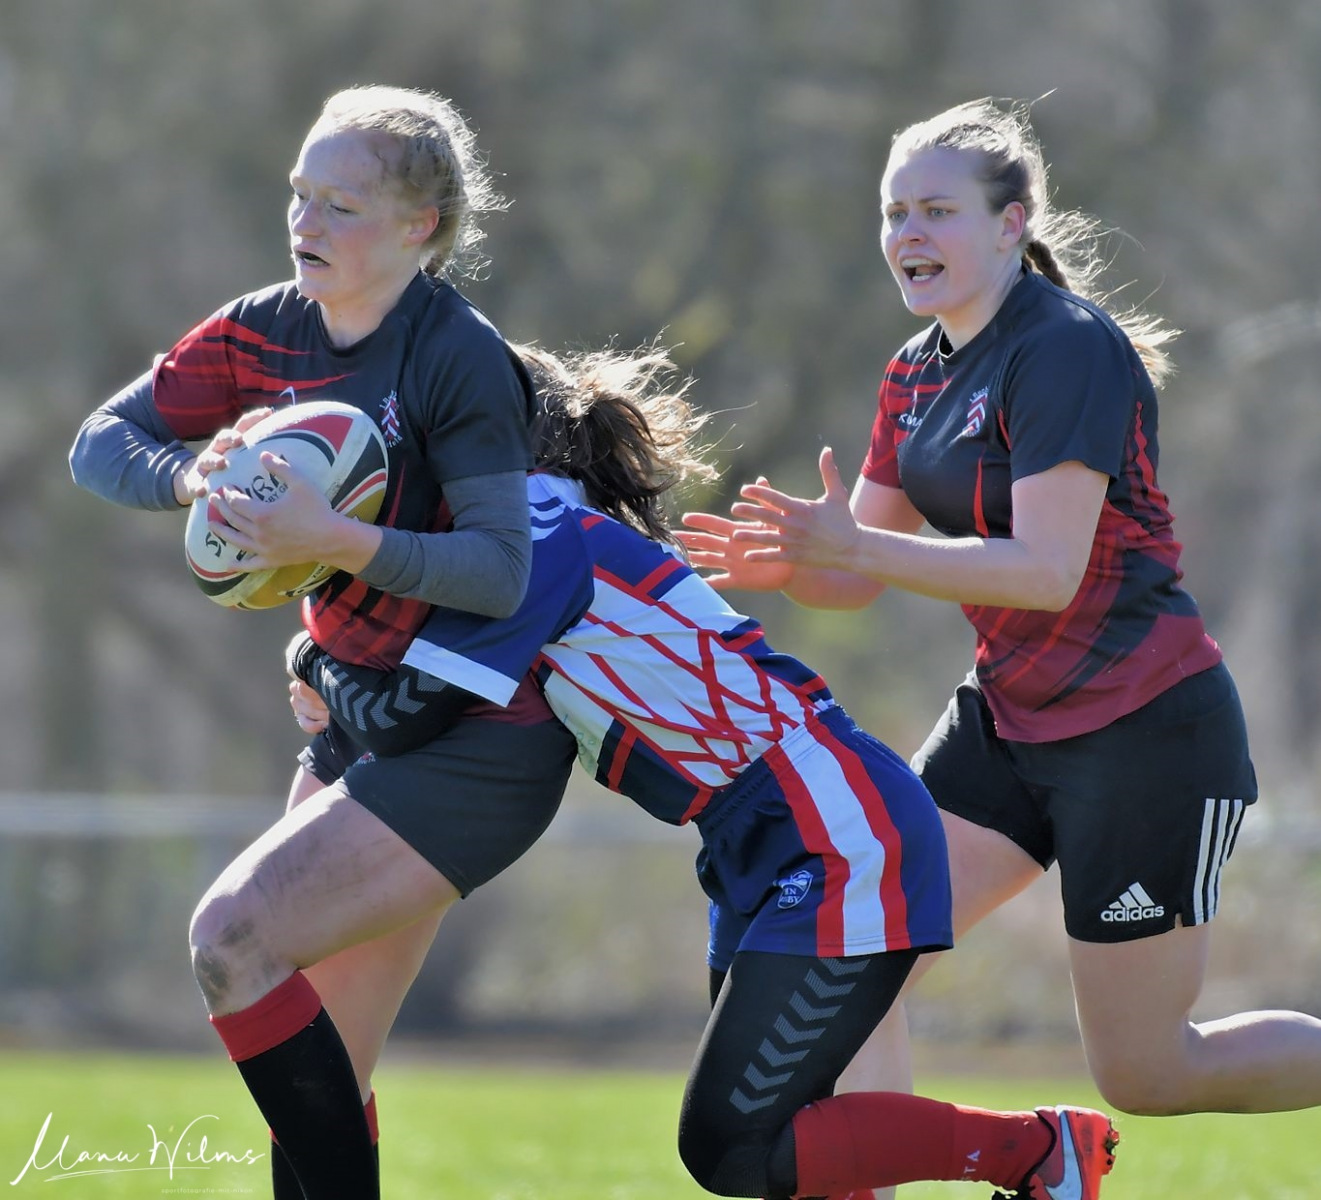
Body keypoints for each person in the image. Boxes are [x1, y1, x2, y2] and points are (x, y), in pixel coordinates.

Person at [283, 340, 1122, 1200]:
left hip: (833, 829)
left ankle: (1035, 1150)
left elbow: (406, 711)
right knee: (778, 1141)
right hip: (760, 839)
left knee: (731, 1148)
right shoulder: (522, 541)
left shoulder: (535, 534)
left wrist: (313, 659)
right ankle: (1034, 1152)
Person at [678, 94, 1321, 1176]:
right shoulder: (913, 371)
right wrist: (799, 564)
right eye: (893, 212)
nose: (907, 233)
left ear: (1011, 222)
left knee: (1148, 1072)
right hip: (1006, 722)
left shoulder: (1064, 348)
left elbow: (1044, 570)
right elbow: (858, 576)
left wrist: (857, 550)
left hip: (1142, 732)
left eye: (936, 210)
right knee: (858, 957)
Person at [68, 85, 579, 1200]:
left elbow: (501, 571)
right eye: (299, 194)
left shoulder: (453, 356)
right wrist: (188, 475)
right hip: (358, 717)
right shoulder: (263, 328)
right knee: (317, 1076)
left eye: (340, 205)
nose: (306, 221)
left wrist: (334, 539)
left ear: (419, 226)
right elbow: (99, 443)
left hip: (479, 736)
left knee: (231, 941)